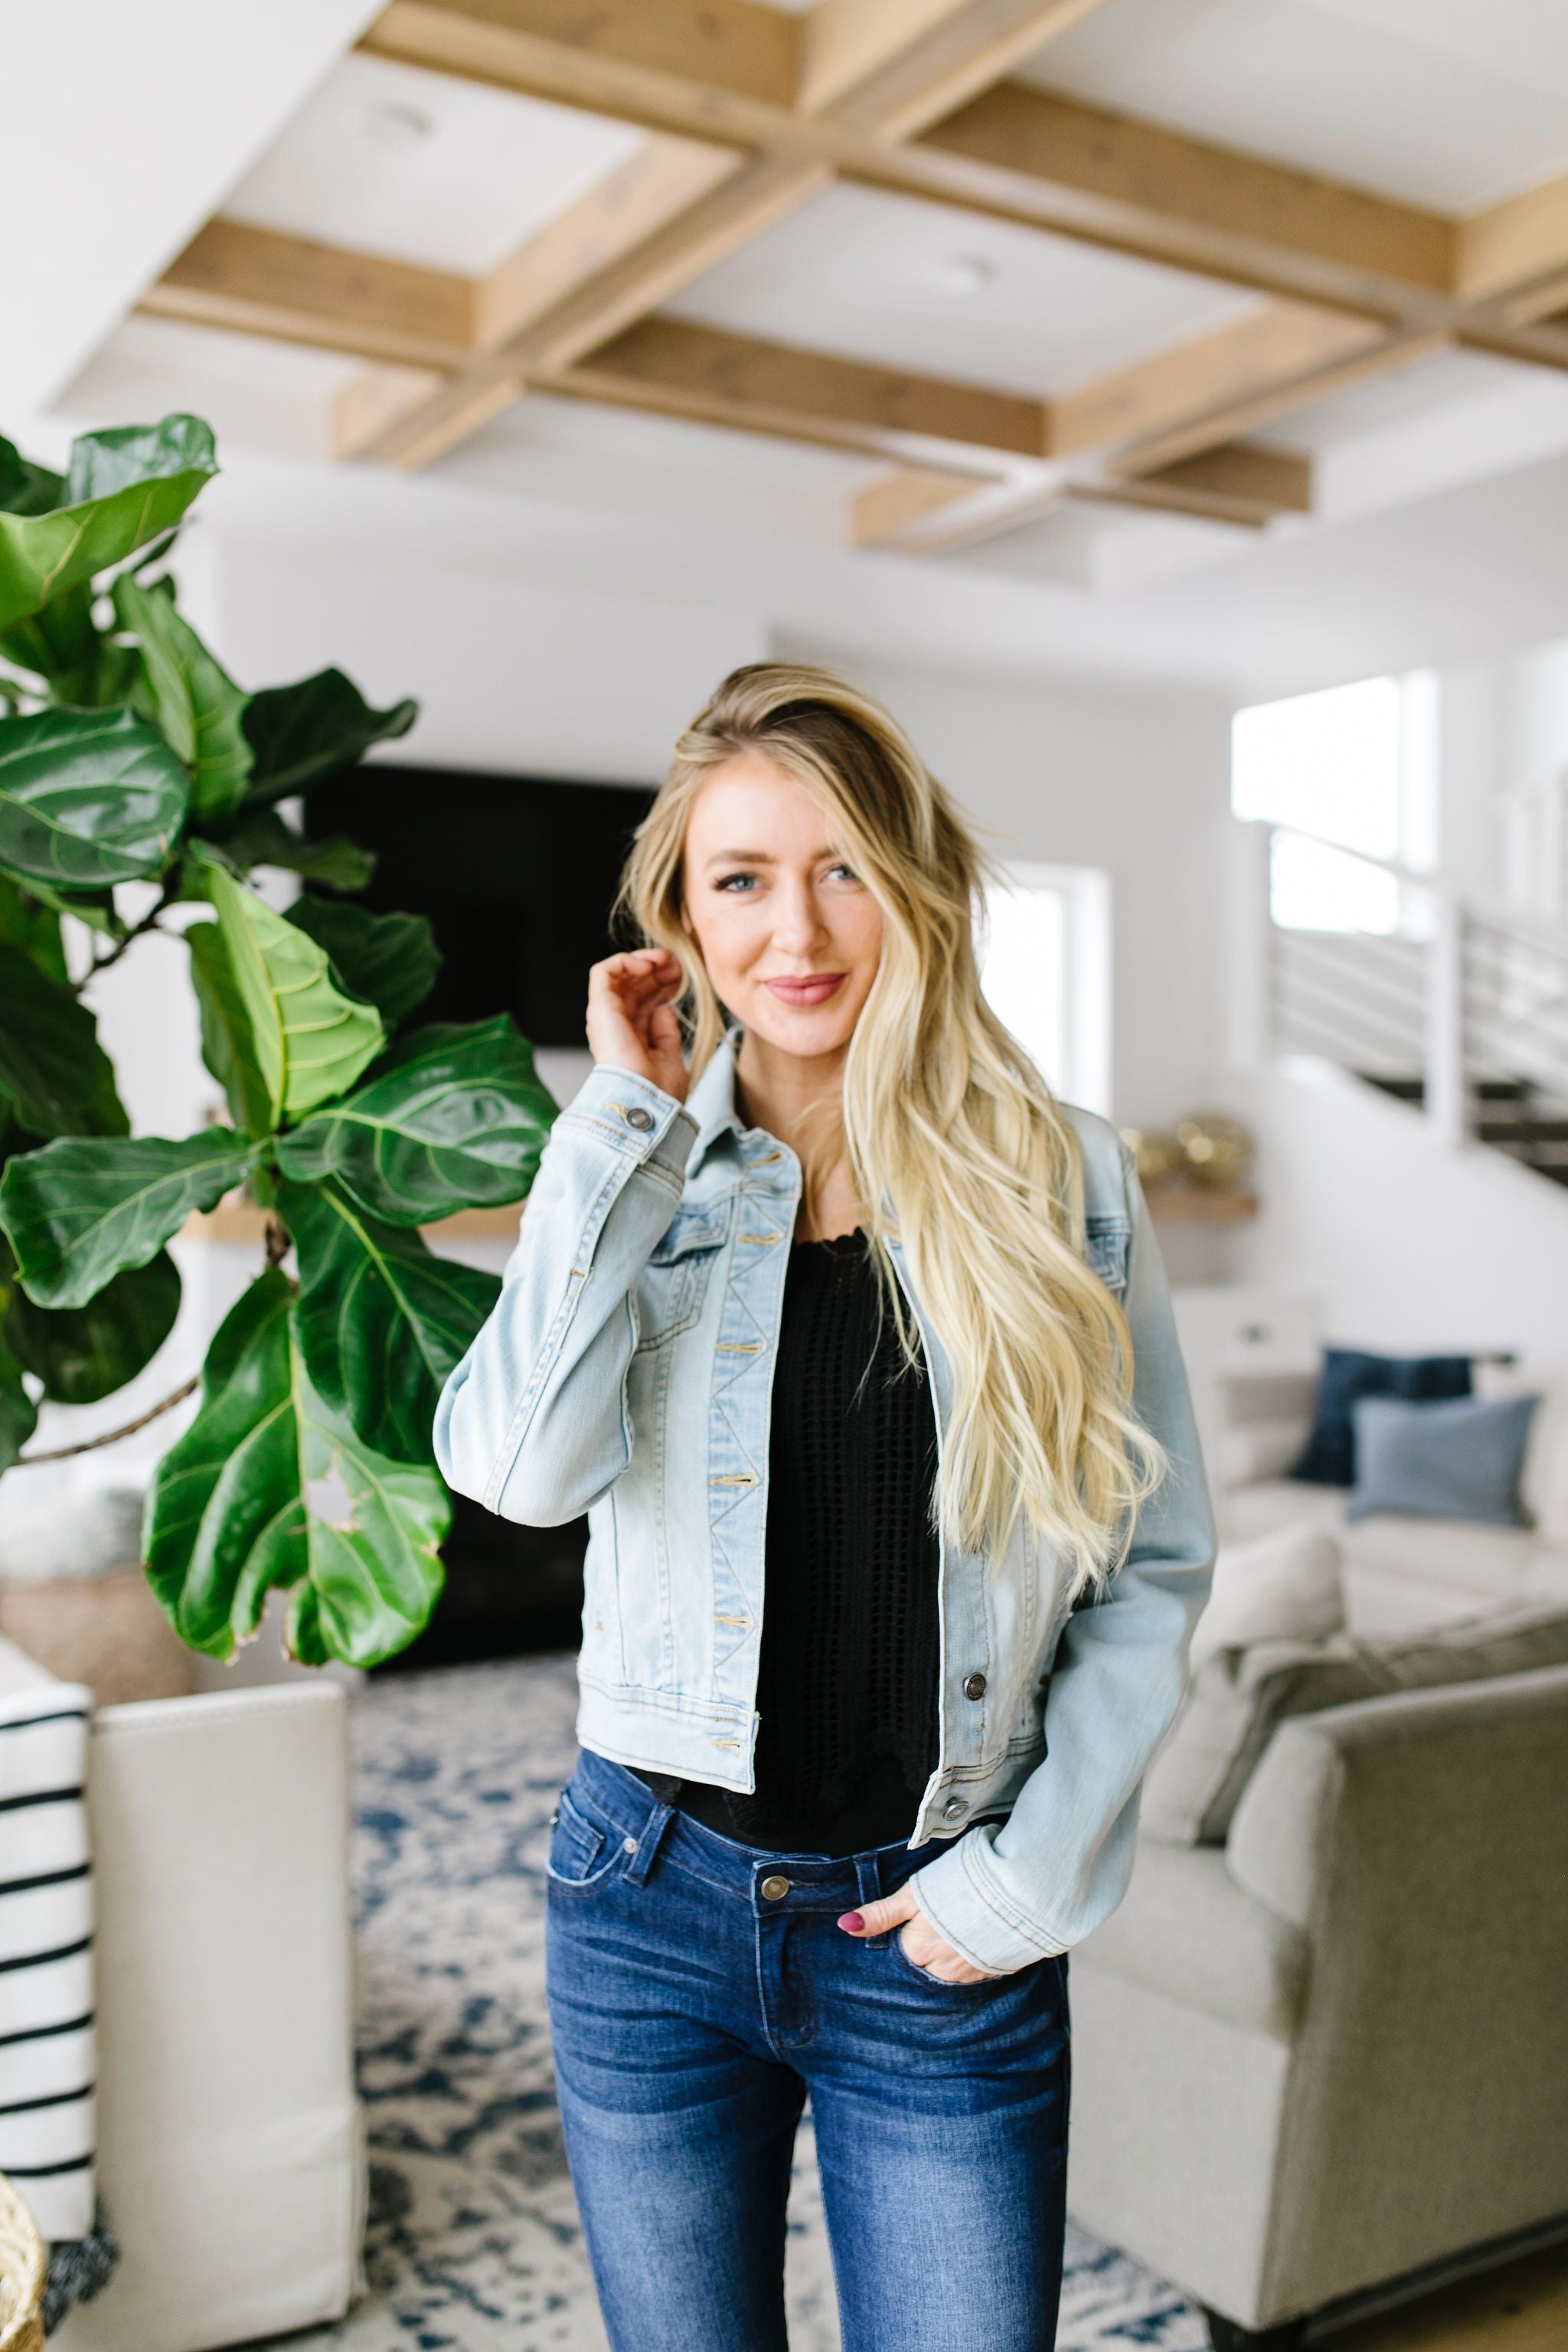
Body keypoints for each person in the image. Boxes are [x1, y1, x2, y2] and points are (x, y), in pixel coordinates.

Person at [434, 662, 1216, 2352]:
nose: (800, 928)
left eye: (843, 865)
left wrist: (1020, 1886)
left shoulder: (1061, 1175)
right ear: (682, 925)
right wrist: (614, 1127)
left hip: (936, 1927)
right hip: (644, 1907)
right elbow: (512, 1469)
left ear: (914, 887)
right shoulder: (643, 1171)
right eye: (743, 879)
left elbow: (1149, 1564)